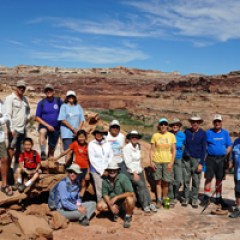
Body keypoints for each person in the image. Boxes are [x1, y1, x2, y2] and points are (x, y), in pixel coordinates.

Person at [202, 114, 232, 208]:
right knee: (209, 178)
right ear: (213, 123)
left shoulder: (225, 133)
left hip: (221, 159)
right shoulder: (208, 133)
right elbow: (204, 145)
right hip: (210, 159)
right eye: (215, 121)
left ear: (221, 122)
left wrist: (225, 155)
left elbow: (229, 145)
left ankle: (218, 198)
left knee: (219, 179)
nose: (217, 123)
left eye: (219, 121)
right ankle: (206, 198)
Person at [123, 130, 157, 213]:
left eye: (136, 137)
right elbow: (128, 162)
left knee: (144, 186)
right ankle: (144, 204)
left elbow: (138, 161)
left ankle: (150, 203)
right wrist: (134, 173)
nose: (134, 138)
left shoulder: (138, 146)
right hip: (131, 171)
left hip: (139, 169)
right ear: (130, 138)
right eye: (133, 137)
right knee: (141, 185)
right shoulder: (127, 148)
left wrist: (139, 170)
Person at [97, 161, 135, 228]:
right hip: (112, 201)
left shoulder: (123, 177)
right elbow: (105, 194)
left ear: (118, 170)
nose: (112, 171)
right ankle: (115, 212)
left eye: (114, 170)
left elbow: (131, 192)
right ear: (107, 171)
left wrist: (117, 197)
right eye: (110, 170)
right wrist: (111, 206)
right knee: (99, 206)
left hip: (123, 200)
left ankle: (128, 216)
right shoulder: (105, 181)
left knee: (130, 199)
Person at [53, 130, 90, 197]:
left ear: (85, 137)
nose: (81, 138)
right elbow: (66, 152)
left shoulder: (88, 146)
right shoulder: (75, 144)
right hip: (76, 168)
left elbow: (89, 160)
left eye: (83, 137)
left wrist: (88, 173)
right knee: (74, 184)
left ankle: (79, 199)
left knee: (83, 185)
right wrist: (57, 158)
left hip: (85, 168)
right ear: (77, 137)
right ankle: (72, 198)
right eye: (79, 137)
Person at [150, 118, 176, 208]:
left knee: (166, 182)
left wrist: (171, 162)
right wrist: (151, 161)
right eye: (161, 124)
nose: (163, 126)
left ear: (167, 126)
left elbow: (174, 150)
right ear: (159, 126)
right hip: (157, 161)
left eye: (165, 124)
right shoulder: (155, 135)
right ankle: (159, 201)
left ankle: (166, 201)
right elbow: (152, 150)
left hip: (167, 161)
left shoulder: (171, 136)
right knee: (158, 182)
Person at [182, 113, 206, 208]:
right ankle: (186, 198)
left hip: (197, 159)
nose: (195, 123)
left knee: (196, 181)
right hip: (187, 159)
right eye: (193, 122)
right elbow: (183, 143)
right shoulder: (186, 132)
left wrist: (201, 164)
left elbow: (204, 149)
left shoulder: (203, 133)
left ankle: (194, 199)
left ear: (199, 123)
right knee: (186, 180)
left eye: (196, 122)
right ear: (190, 123)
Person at [5, 80, 30, 168]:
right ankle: (7, 170)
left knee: (20, 151)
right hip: (14, 130)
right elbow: (7, 115)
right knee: (11, 150)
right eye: (20, 87)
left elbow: (28, 110)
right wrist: (11, 129)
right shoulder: (10, 98)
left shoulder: (25, 99)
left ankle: (16, 170)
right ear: (16, 87)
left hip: (23, 129)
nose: (21, 89)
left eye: (23, 88)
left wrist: (27, 118)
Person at [35, 84, 63, 160]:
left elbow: (64, 111)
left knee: (51, 151)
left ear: (53, 92)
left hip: (56, 128)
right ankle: (43, 152)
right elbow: (37, 117)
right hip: (44, 125)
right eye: (47, 90)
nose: (48, 92)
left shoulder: (58, 101)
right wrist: (47, 126)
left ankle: (48, 165)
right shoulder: (42, 103)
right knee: (42, 131)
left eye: (50, 90)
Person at [58, 90, 85, 163]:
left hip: (77, 133)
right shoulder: (64, 107)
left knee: (76, 151)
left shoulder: (78, 106)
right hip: (67, 133)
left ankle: (73, 168)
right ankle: (67, 168)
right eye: (69, 96)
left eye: (72, 96)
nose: (71, 98)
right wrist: (73, 128)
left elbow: (82, 119)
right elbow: (62, 119)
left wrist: (78, 130)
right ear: (67, 97)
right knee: (68, 151)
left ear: (75, 97)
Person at [88, 125, 113, 201]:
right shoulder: (91, 144)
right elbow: (92, 160)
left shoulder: (107, 143)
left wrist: (107, 168)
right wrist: (102, 171)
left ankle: (109, 206)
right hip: (96, 170)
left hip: (107, 169)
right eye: (97, 133)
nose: (99, 134)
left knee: (109, 187)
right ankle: (101, 207)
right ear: (95, 134)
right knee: (100, 189)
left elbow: (110, 155)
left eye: (101, 133)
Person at [168, 118, 186, 207]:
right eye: (173, 125)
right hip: (169, 159)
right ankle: (171, 197)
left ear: (179, 126)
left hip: (179, 159)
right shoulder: (168, 134)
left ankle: (175, 194)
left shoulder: (183, 135)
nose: (175, 126)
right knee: (170, 179)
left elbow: (185, 146)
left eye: (177, 125)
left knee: (178, 179)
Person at [0, 99, 13, 196]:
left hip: (0, 136)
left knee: (4, 158)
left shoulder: (2, 103)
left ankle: (4, 184)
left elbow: (6, 116)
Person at [229, 136, 240, 218]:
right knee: (237, 190)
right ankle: (238, 208)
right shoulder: (236, 141)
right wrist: (231, 162)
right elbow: (233, 154)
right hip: (237, 172)